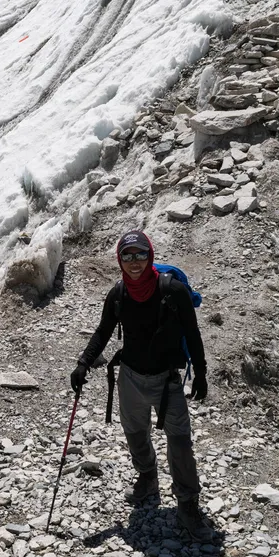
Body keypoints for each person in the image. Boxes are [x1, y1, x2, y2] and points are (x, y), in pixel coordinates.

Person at [70, 230, 212, 541]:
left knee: (180, 444)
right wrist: (83, 363)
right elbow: (103, 332)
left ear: (150, 255)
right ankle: (148, 478)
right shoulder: (118, 294)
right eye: (127, 256)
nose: (134, 262)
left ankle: (188, 504)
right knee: (135, 434)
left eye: (141, 254)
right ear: (119, 260)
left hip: (167, 381)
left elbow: (193, 333)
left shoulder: (173, 291)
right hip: (130, 377)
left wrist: (200, 372)